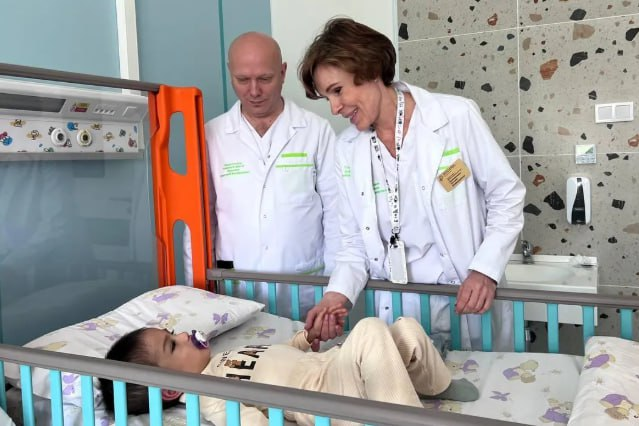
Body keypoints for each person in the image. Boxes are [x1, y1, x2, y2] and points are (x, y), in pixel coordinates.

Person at [298, 18, 526, 351]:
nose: (334, 108)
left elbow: (506, 195)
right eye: (327, 97)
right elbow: (353, 243)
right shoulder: (346, 149)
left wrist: (485, 270)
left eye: (337, 91)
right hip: (400, 311)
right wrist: (336, 296)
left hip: (465, 299)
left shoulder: (454, 118)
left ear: (370, 70)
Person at [183, 32, 339, 319]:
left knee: (306, 348)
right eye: (243, 79)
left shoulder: (316, 131)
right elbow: (200, 219)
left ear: (283, 72)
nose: (254, 91)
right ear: (230, 72)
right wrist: (197, 291)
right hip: (234, 291)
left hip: (305, 289)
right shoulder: (211, 135)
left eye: (265, 79)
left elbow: (337, 213)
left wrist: (337, 288)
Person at [99, 313, 479, 426]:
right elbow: (244, 421)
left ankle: (437, 384)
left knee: (405, 329)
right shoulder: (209, 390)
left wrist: (303, 339)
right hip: (324, 397)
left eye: (172, 333)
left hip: (331, 366)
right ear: (169, 389)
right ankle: (407, 418)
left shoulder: (228, 356)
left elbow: (276, 355)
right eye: (172, 345)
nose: (183, 335)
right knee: (368, 331)